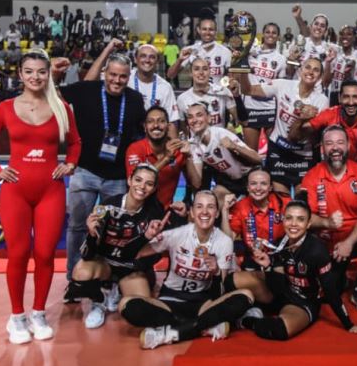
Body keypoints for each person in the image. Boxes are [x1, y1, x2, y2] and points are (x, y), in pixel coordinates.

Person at [0, 50, 81, 344]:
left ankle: (38, 312)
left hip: (51, 189)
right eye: (30, 71)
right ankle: (17, 316)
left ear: (49, 74)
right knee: (19, 254)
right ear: (20, 74)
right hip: (16, 191)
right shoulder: (6, 108)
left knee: (46, 254)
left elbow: (75, 142)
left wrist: (70, 163)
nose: (36, 77)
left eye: (41, 72)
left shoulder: (61, 107)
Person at [53, 51, 146, 296]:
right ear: (105, 72)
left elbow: (140, 137)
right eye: (112, 74)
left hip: (117, 178)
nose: (117, 80)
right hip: (85, 171)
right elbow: (54, 94)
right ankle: (75, 278)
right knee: (76, 227)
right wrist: (54, 73)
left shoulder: (135, 100)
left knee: (110, 230)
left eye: (123, 77)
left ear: (129, 77)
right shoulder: (87, 90)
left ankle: (104, 278)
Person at [228, 199, 357, 340]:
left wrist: (348, 324)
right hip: (282, 290)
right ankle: (228, 315)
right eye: (289, 218)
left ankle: (248, 319)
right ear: (284, 220)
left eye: (300, 219)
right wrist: (269, 263)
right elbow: (279, 265)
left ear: (308, 224)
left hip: (302, 301)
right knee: (232, 280)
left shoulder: (317, 250)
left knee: (280, 330)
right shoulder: (282, 241)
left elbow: (330, 290)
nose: (293, 224)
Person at [129, 190, 255, 348]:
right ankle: (205, 326)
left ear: (216, 213)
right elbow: (135, 253)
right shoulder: (177, 234)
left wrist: (216, 272)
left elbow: (222, 290)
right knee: (128, 305)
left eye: (210, 207)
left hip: (203, 303)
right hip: (170, 300)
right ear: (192, 212)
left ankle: (171, 333)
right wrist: (146, 236)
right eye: (199, 206)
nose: (204, 212)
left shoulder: (224, 241)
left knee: (246, 296)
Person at [66, 164, 166, 329]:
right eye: (138, 180)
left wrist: (137, 262)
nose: (142, 186)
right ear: (129, 180)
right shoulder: (108, 205)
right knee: (81, 273)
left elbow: (155, 254)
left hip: (130, 268)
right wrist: (91, 235)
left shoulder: (155, 212)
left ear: (154, 188)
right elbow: (87, 254)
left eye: (149, 183)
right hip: (105, 264)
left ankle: (116, 289)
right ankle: (99, 301)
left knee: (141, 308)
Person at [298, 125, 357, 312]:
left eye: (339, 143)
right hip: (326, 242)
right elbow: (305, 216)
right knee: (328, 296)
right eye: (329, 143)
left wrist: (349, 242)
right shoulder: (312, 177)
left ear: (348, 146)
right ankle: (341, 279)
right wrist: (326, 222)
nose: (335, 148)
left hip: (353, 239)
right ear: (322, 148)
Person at [233, 58, 329, 194]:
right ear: (301, 70)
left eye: (316, 70)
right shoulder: (283, 85)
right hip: (278, 151)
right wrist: (243, 69)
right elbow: (248, 90)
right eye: (308, 67)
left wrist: (300, 121)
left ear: (320, 77)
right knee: (280, 200)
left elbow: (295, 137)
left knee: (302, 201)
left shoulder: (322, 102)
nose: (311, 72)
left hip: (303, 155)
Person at [291, 80, 357, 167]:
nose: (351, 102)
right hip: (333, 170)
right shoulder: (330, 114)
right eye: (346, 97)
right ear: (339, 98)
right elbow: (294, 136)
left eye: (355, 97)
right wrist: (301, 119)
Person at [183, 101, 262, 199]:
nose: (194, 120)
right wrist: (188, 157)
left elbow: (258, 159)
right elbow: (197, 183)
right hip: (231, 181)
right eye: (190, 117)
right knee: (216, 196)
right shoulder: (193, 145)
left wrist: (234, 146)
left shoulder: (220, 134)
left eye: (199, 115)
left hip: (250, 175)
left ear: (209, 118)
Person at [221, 168, 287, 271]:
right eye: (253, 183)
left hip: (280, 256)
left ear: (270, 188)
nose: (258, 188)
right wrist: (225, 210)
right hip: (253, 257)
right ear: (247, 187)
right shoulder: (240, 207)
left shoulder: (284, 203)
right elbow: (227, 240)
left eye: (264, 184)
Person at [126, 106, 189, 209]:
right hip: (137, 211)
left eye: (161, 121)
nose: (156, 125)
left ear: (168, 126)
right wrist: (167, 158)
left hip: (166, 213)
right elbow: (137, 181)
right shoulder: (135, 148)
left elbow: (195, 183)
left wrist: (189, 156)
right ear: (145, 127)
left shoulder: (177, 150)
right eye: (150, 121)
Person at [238, 22, 286, 151]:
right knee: (251, 153)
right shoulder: (250, 53)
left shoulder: (281, 59)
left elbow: (280, 86)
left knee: (274, 152)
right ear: (263, 34)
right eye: (268, 32)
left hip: (270, 108)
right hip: (250, 106)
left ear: (278, 36)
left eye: (274, 32)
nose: (270, 34)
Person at [167, 17, 231, 85]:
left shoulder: (225, 52)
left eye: (211, 29)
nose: (207, 32)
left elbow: (230, 77)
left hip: (217, 94)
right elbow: (170, 75)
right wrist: (179, 60)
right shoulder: (190, 50)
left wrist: (221, 88)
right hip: (197, 94)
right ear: (198, 30)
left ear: (216, 31)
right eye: (204, 29)